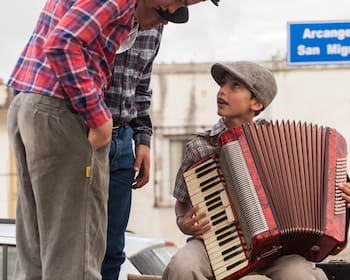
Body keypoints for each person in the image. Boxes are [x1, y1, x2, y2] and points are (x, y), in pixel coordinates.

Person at [6, 1, 216, 279]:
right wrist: (98, 116)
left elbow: (138, 82)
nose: (172, 11)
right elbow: (62, 43)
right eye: (179, 2)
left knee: (36, 253)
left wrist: (140, 135)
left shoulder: (136, 19)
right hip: (63, 112)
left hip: (34, 103)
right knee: (75, 256)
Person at [162, 61, 350, 280]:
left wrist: (342, 198)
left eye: (235, 86)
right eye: (223, 84)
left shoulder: (282, 142)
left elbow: (318, 189)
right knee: (182, 266)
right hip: (216, 244)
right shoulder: (200, 146)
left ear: (256, 103)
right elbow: (181, 200)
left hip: (278, 250)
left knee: (301, 276)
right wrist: (183, 222)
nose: (222, 91)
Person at [100, 1, 221, 277]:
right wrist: (97, 123)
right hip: (89, 135)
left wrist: (143, 140)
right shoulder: (107, 14)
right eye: (163, 14)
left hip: (124, 138)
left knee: (113, 248)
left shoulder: (154, 29)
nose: (165, 22)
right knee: (80, 241)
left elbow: (142, 86)